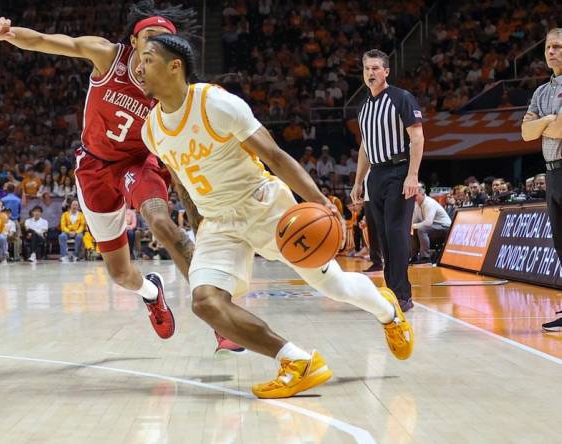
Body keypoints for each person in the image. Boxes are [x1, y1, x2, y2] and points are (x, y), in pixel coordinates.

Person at [137, 34, 413, 399]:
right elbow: (183, 181)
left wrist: (321, 203)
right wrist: (198, 222)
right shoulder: (150, 130)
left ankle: (387, 310)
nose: (138, 68)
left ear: (175, 66)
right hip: (218, 221)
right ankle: (297, 361)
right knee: (205, 301)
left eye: (148, 59)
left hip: (263, 205)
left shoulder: (216, 103)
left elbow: (276, 156)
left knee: (332, 285)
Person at [0, 1, 242, 349]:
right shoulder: (108, 56)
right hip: (93, 167)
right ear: (135, 41)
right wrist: (8, 32)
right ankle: (152, 293)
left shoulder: (170, 89)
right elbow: (47, 41)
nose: (156, 46)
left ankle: (220, 318)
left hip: (138, 164)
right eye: (150, 37)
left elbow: (179, 157)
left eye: (165, 41)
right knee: (121, 275)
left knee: (162, 224)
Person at [351, 49, 425, 312]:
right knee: (382, 236)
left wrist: (412, 176)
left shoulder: (401, 98)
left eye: (375, 68)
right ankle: (391, 291)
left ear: (386, 72)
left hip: (399, 171)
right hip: (376, 175)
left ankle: (402, 295)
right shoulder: (363, 107)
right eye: (367, 68)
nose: (370, 73)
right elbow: (365, 148)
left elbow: (417, 138)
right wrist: (358, 181)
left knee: (396, 234)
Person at [521, 28, 562, 332]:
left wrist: (542, 123)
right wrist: (549, 121)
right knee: (561, 245)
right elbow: (524, 134)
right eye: (548, 47)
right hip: (551, 171)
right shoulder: (540, 92)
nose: (551, 52)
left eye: (558, 47)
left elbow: (560, 130)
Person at [410, 183, 451, 264]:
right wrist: (411, 227)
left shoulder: (429, 203)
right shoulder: (416, 204)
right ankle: (413, 257)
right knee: (412, 230)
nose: (414, 195)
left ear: (422, 193)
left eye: (416, 193)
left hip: (445, 228)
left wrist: (413, 226)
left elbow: (428, 223)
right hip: (433, 227)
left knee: (422, 229)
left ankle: (425, 257)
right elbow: (414, 221)